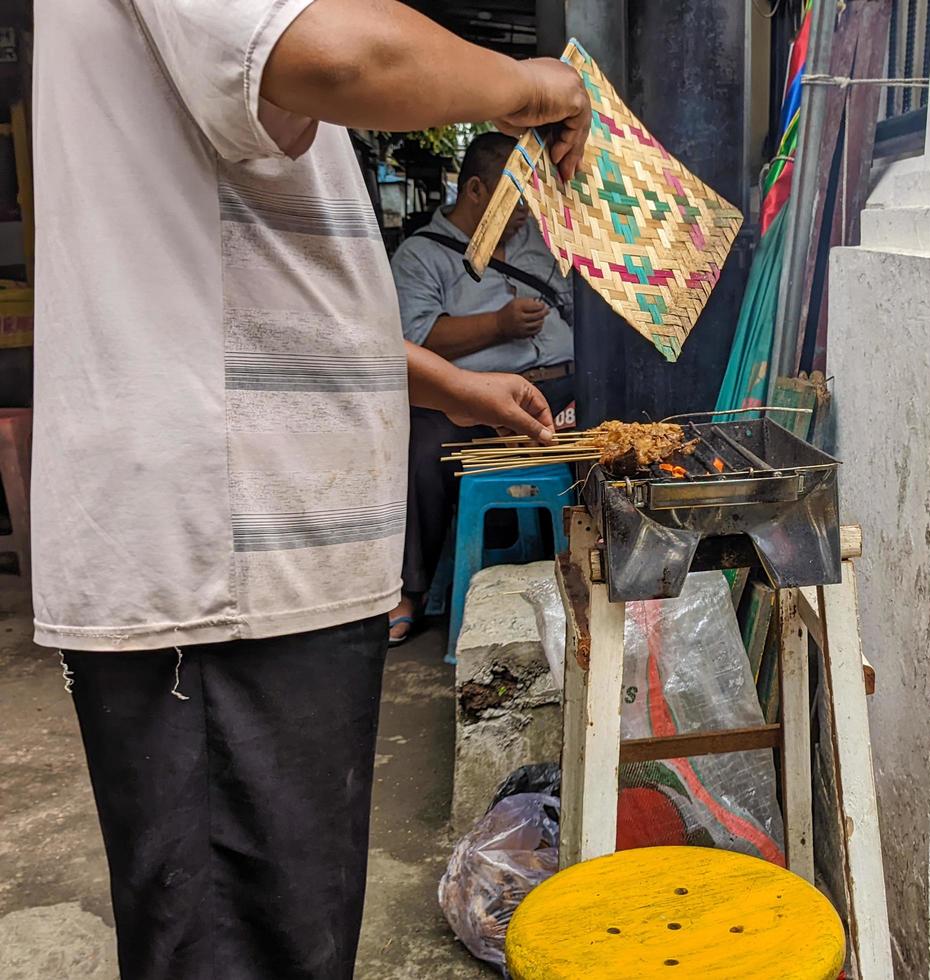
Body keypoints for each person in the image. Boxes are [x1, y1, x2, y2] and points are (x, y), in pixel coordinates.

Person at [32, 2, 588, 979]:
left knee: (287, 935)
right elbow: (340, 53)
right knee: (242, 945)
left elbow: (274, 293)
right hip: (225, 560)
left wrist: (451, 385)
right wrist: (533, 85)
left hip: (266, 556)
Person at [387, 132, 575, 643]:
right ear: (474, 190)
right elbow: (412, 340)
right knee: (423, 446)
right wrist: (497, 325)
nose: (522, 213)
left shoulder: (538, 245)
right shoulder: (422, 257)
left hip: (559, 389)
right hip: (463, 399)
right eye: (512, 200)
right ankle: (409, 589)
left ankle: (591, 563)